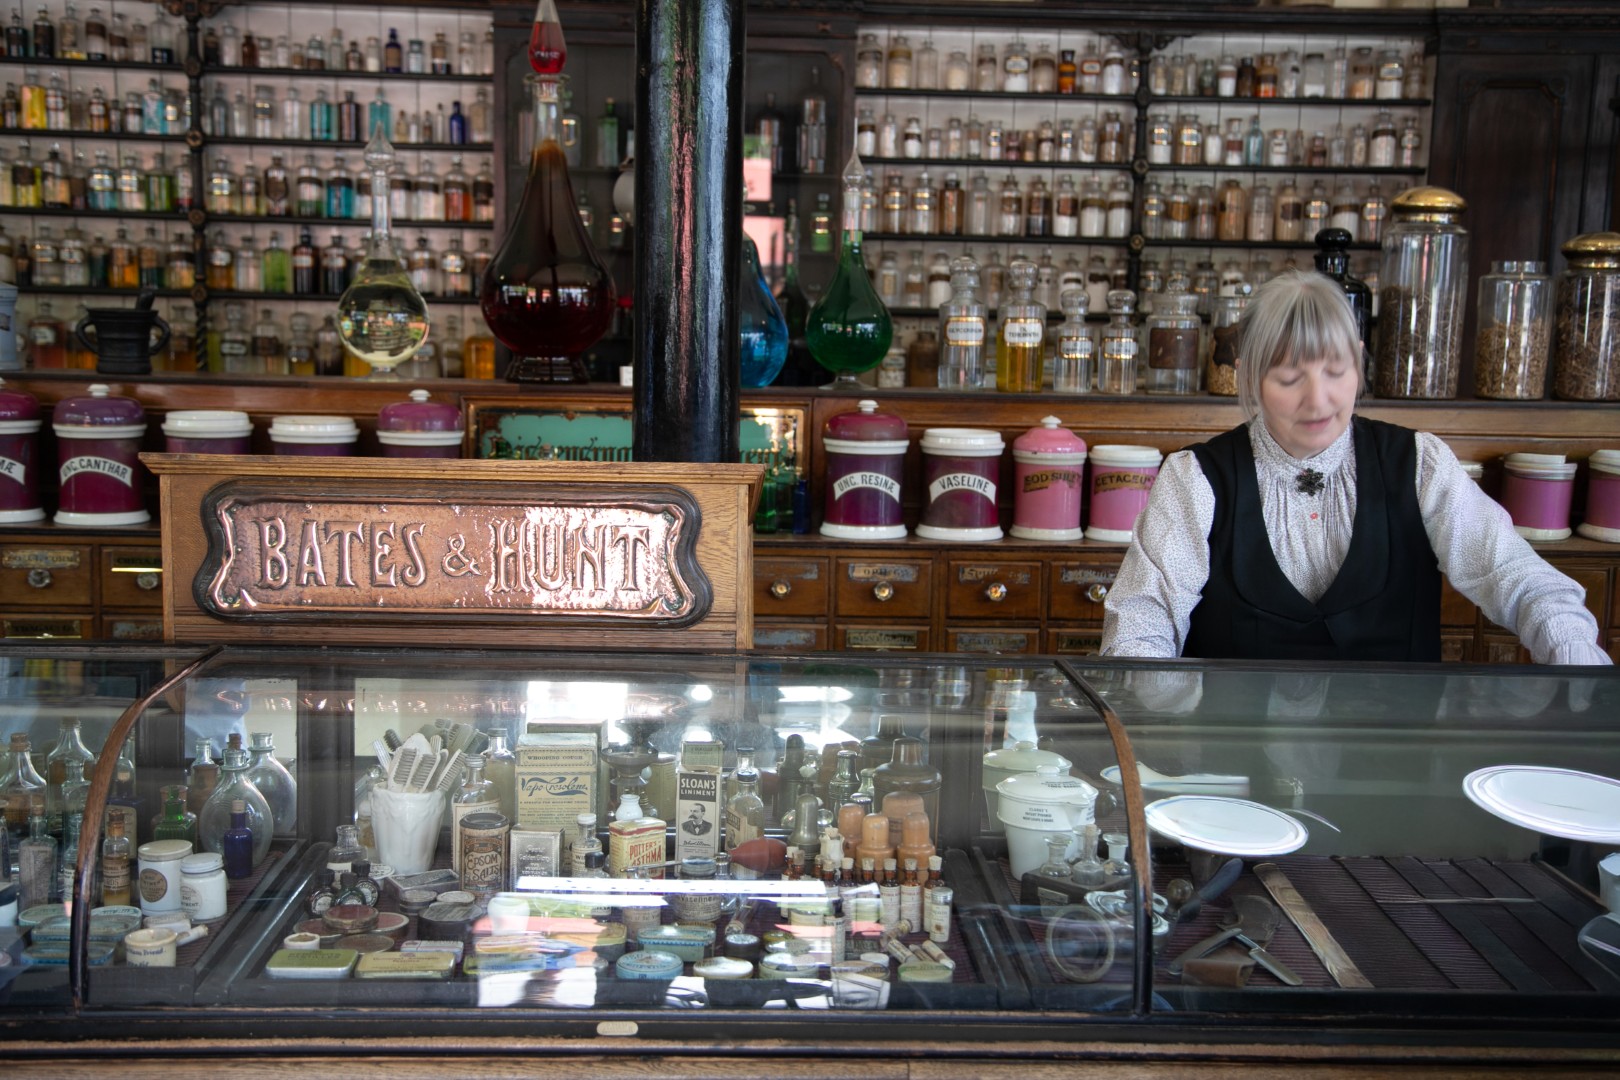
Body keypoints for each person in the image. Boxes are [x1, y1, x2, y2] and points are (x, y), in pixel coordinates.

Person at [1102, 269, 1610, 665]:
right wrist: (1150, 712)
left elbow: (1514, 575)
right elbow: (1142, 622)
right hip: (1233, 752)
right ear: (1248, 378)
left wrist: (1573, 656)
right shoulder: (1195, 479)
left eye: (1336, 370)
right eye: (1289, 378)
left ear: (1360, 361)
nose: (1318, 399)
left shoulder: (1419, 464)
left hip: (1395, 748)